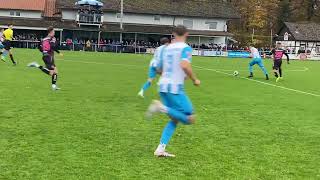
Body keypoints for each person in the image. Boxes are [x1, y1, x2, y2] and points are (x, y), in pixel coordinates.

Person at [146, 25, 201, 157]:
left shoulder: (167, 48)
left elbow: (158, 69)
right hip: (175, 88)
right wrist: (194, 79)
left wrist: (172, 74)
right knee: (190, 118)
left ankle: (160, 149)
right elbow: (184, 65)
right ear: (186, 34)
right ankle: (160, 107)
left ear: (173, 34)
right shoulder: (185, 48)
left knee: (175, 119)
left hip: (163, 86)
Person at [27, 26, 63, 91]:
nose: (54, 33)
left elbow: (39, 47)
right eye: (54, 31)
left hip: (46, 56)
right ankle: (36, 65)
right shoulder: (52, 38)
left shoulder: (44, 39)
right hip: (48, 56)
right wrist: (59, 52)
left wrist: (44, 51)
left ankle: (54, 86)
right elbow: (52, 46)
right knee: (52, 72)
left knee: (55, 71)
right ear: (51, 32)